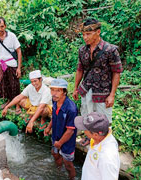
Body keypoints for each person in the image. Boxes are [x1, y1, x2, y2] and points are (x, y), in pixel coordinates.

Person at [72, 18, 123, 146]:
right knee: (87, 115)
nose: (85, 37)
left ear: (98, 32)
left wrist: (112, 95)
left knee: (103, 119)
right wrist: (75, 88)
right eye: (83, 34)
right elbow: (80, 70)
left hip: (103, 91)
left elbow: (117, 72)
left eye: (88, 34)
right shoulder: (82, 50)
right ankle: (89, 137)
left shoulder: (110, 50)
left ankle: (105, 143)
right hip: (86, 88)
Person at [44, 79, 78, 180]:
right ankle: (58, 170)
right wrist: (49, 127)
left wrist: (60, 143)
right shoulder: (55, 102)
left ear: (64, 92)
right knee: (54, 153)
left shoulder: (71, 109)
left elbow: (70, 131)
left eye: (57, 91)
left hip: (67, 141)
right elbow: (54, 117)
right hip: (56, 135)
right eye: (52, 90)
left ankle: (72, 178)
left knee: (68, 164)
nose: (54, 93)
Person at [0, 17, 22, 114]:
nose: (0, 29)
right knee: (4, 84)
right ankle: (9, 101)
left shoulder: (12, 36)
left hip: (11, 63)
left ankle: (17, 104)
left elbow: (19, 51)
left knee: (14, 84)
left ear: (5, 26)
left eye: (2, 26)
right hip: (2, 64)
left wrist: (19, 68)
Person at [74, 112, 120, 180]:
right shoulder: (98, 139)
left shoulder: (107, 158)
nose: (83, 131)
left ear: (95, 134)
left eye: (85, 129)